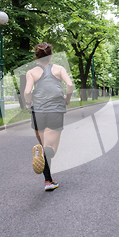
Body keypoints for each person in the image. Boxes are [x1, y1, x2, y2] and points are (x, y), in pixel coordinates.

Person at [24, 42, 73, 191]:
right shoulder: (59, 69)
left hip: (37, 111)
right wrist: (67, 100)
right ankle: (45, 158)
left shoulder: (31, 72)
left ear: (36, 56)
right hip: (55, 110)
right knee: (51, 148)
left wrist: (28, 103)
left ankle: (48, 181)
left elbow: (27, 91)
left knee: (44, 144)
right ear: (51, 55)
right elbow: (69, 85)